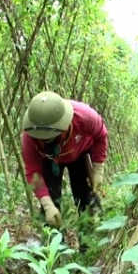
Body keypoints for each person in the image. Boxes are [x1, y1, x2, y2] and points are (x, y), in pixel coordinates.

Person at [21, 91, 108, 228]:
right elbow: (33, 172)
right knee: (50, 203)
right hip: (50, 160)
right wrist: (47, 204)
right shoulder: (29, 138)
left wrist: (98, 170)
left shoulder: (84, 116)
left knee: (86, 200)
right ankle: (54, 245)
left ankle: (87, 242)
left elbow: (101, 135)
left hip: (81, 153)